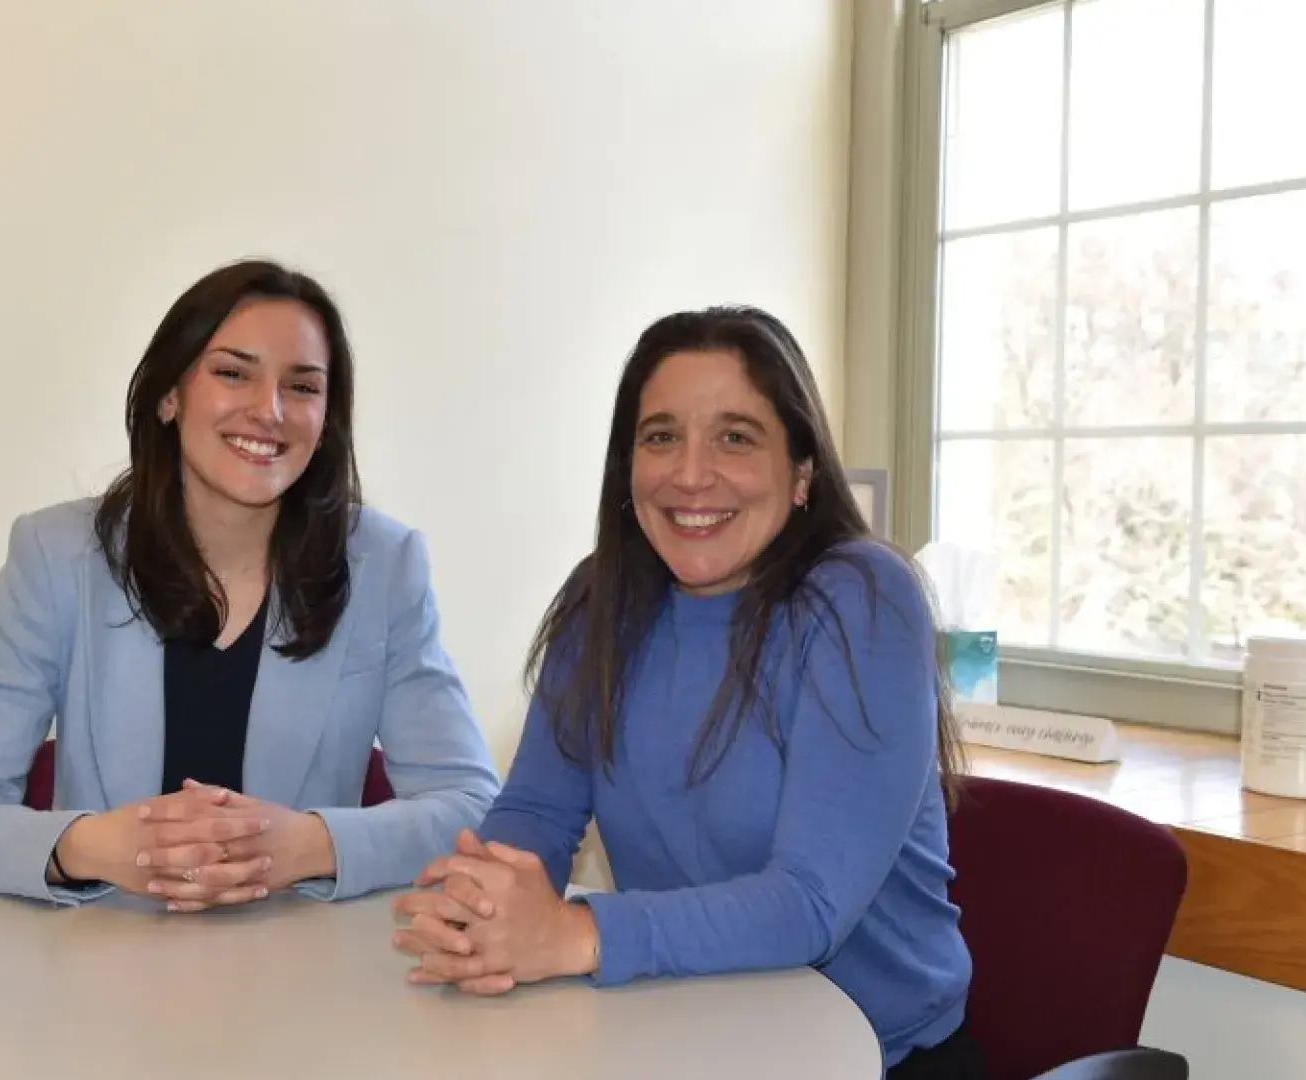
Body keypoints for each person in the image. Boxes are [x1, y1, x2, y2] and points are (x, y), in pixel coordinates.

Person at [390, 306, 983, 1077]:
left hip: (874, 1055)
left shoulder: (861, 598)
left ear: (802, 473)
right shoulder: (601, 599)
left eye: (735, 437)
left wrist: (573, 933)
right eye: (661, 436)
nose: (690, 474)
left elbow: (807, 906)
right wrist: (482, 900)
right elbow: (538, 810)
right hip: (680, 1028)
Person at [0, 259, 499, 911]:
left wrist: (307, 846)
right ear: (169, 394)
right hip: (92, 976)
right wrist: (93, 848)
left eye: (302, 387)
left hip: (304, 973)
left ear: (327, 421)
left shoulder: (384, 565)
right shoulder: (58, 555)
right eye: (233, 373)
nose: (269, 412)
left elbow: (475, 812)